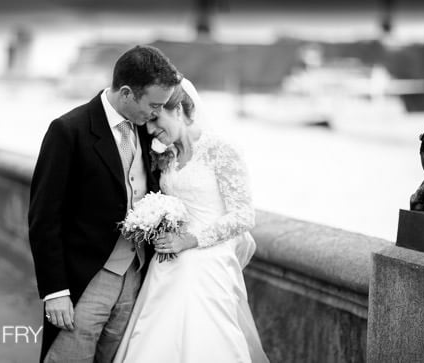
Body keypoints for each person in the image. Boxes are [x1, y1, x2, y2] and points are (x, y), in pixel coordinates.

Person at [28, 45, 181, 363]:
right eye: (153, 104)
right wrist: (55, 291)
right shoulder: (68, 131)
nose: (156, 114)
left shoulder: (143, 130)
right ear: (127, 93)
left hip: (135, 278)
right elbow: (44, 217)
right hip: (86, 281)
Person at [113, 79, 269, 363]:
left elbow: (244, 215)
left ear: (180, 110)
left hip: (206, 256)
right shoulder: (167, 155)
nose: (150, 129)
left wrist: (191, 240)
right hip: (169, 255)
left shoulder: (221, 150)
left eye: (156, 119)